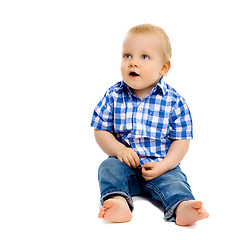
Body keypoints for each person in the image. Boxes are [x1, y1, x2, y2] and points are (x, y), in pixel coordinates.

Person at [91, 24, 209, 226]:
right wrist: (119, 150)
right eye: (127, 55)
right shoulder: (113, 95)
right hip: (125, 165)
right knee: (108, 168)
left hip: (161, 166)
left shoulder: (174, 101)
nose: (133, 63)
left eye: (144, 57)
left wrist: (165, 165)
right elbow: (100, 129)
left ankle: (182, 206)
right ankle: (118, 201)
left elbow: (181, 141)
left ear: (164, 68)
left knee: (175, 181)